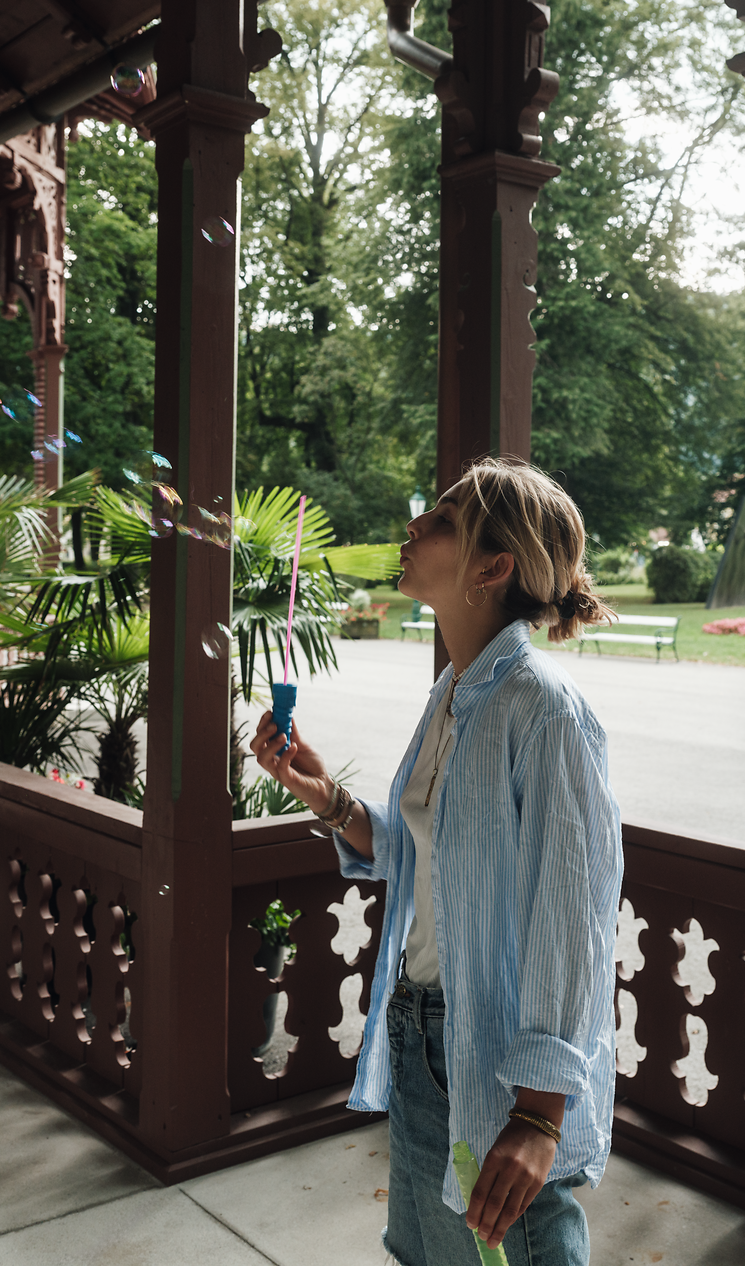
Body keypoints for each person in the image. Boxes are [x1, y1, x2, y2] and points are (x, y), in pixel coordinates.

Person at [251, 457, 622, 1266]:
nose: (413, 525)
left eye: (443, 519)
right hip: (419, 1033)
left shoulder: (545, 712)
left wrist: (538, 1115)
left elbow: (574, 924)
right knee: (426, 1254)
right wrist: (328, 798)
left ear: (494, 567)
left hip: (493, 1053)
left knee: (511, 1254)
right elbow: (429, 856)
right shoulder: (453, 692)